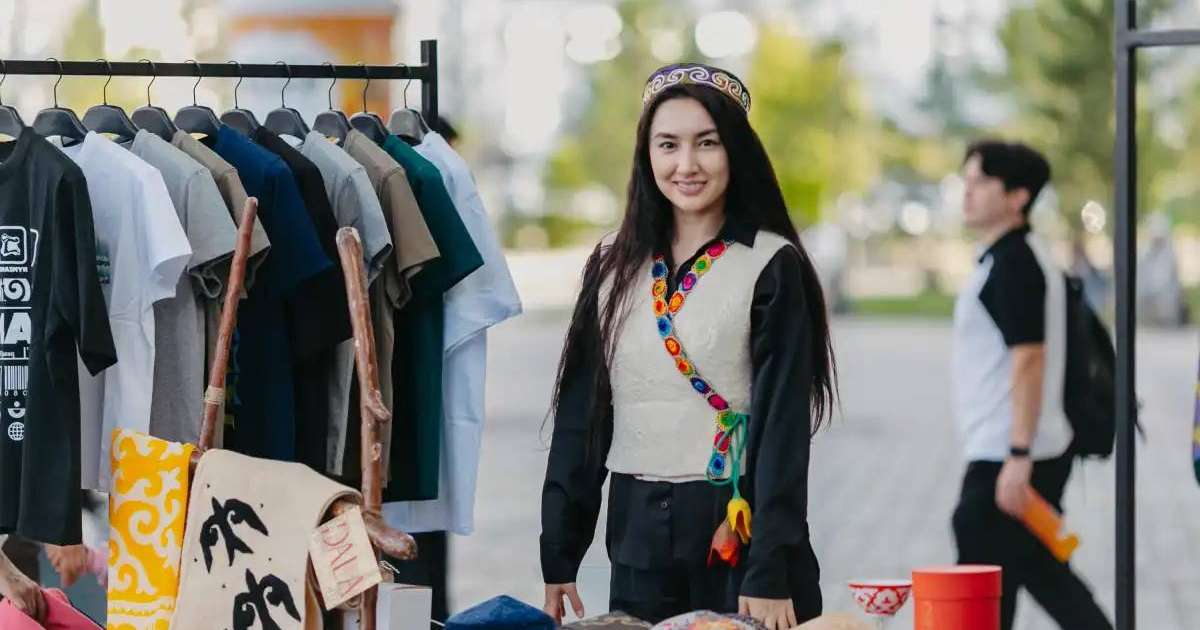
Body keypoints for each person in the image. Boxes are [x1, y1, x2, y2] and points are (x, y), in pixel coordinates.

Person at [540, 63, 834, 629]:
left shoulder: (771, 264)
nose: (686, 165)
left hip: (736, 536)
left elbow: (782, 429)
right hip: (637, 537)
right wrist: (560, 552)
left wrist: (770, 569)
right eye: (668, 144)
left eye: (707, 144)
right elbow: (582, 416)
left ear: (736, 151)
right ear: (646, 155)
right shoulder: (611, 264)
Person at [951, 140, 1112, 630]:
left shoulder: (1015, 262)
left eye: (981, 182)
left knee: (980, 591)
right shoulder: (1022, 256)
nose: (967, 192)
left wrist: (1017, 456)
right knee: (1035, 575)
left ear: (1018, 196)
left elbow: (1029, 358)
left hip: (1011, 457)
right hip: (1024, 452)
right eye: (967, 180)